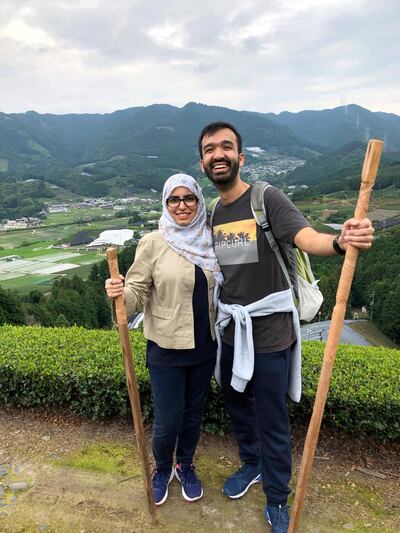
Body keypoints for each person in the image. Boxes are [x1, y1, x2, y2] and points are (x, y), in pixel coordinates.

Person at [198, 122, 374, 533]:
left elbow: (305, 236)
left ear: (240, 157)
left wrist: (338, 241)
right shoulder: (213, 213)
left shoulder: (265, 199)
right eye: (210, 149)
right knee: (237, 406)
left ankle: (277, 494)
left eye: (226, 147)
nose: (218, 154)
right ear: (203, 161)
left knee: (272, 417)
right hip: (231, 330)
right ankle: (251, 463)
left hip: (271, 333)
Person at [105, 174, 220, 506]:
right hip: (166, 348)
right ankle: (162, 469)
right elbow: (137, 291)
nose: (182, 206)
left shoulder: (211, 239)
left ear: (199, 202)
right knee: (168, 419)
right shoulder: (154, 242)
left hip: (204, 346)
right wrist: (119, 294)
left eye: (189, 199)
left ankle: (185, 464)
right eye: (174, 200)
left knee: (193, 414)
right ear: (166, 204)